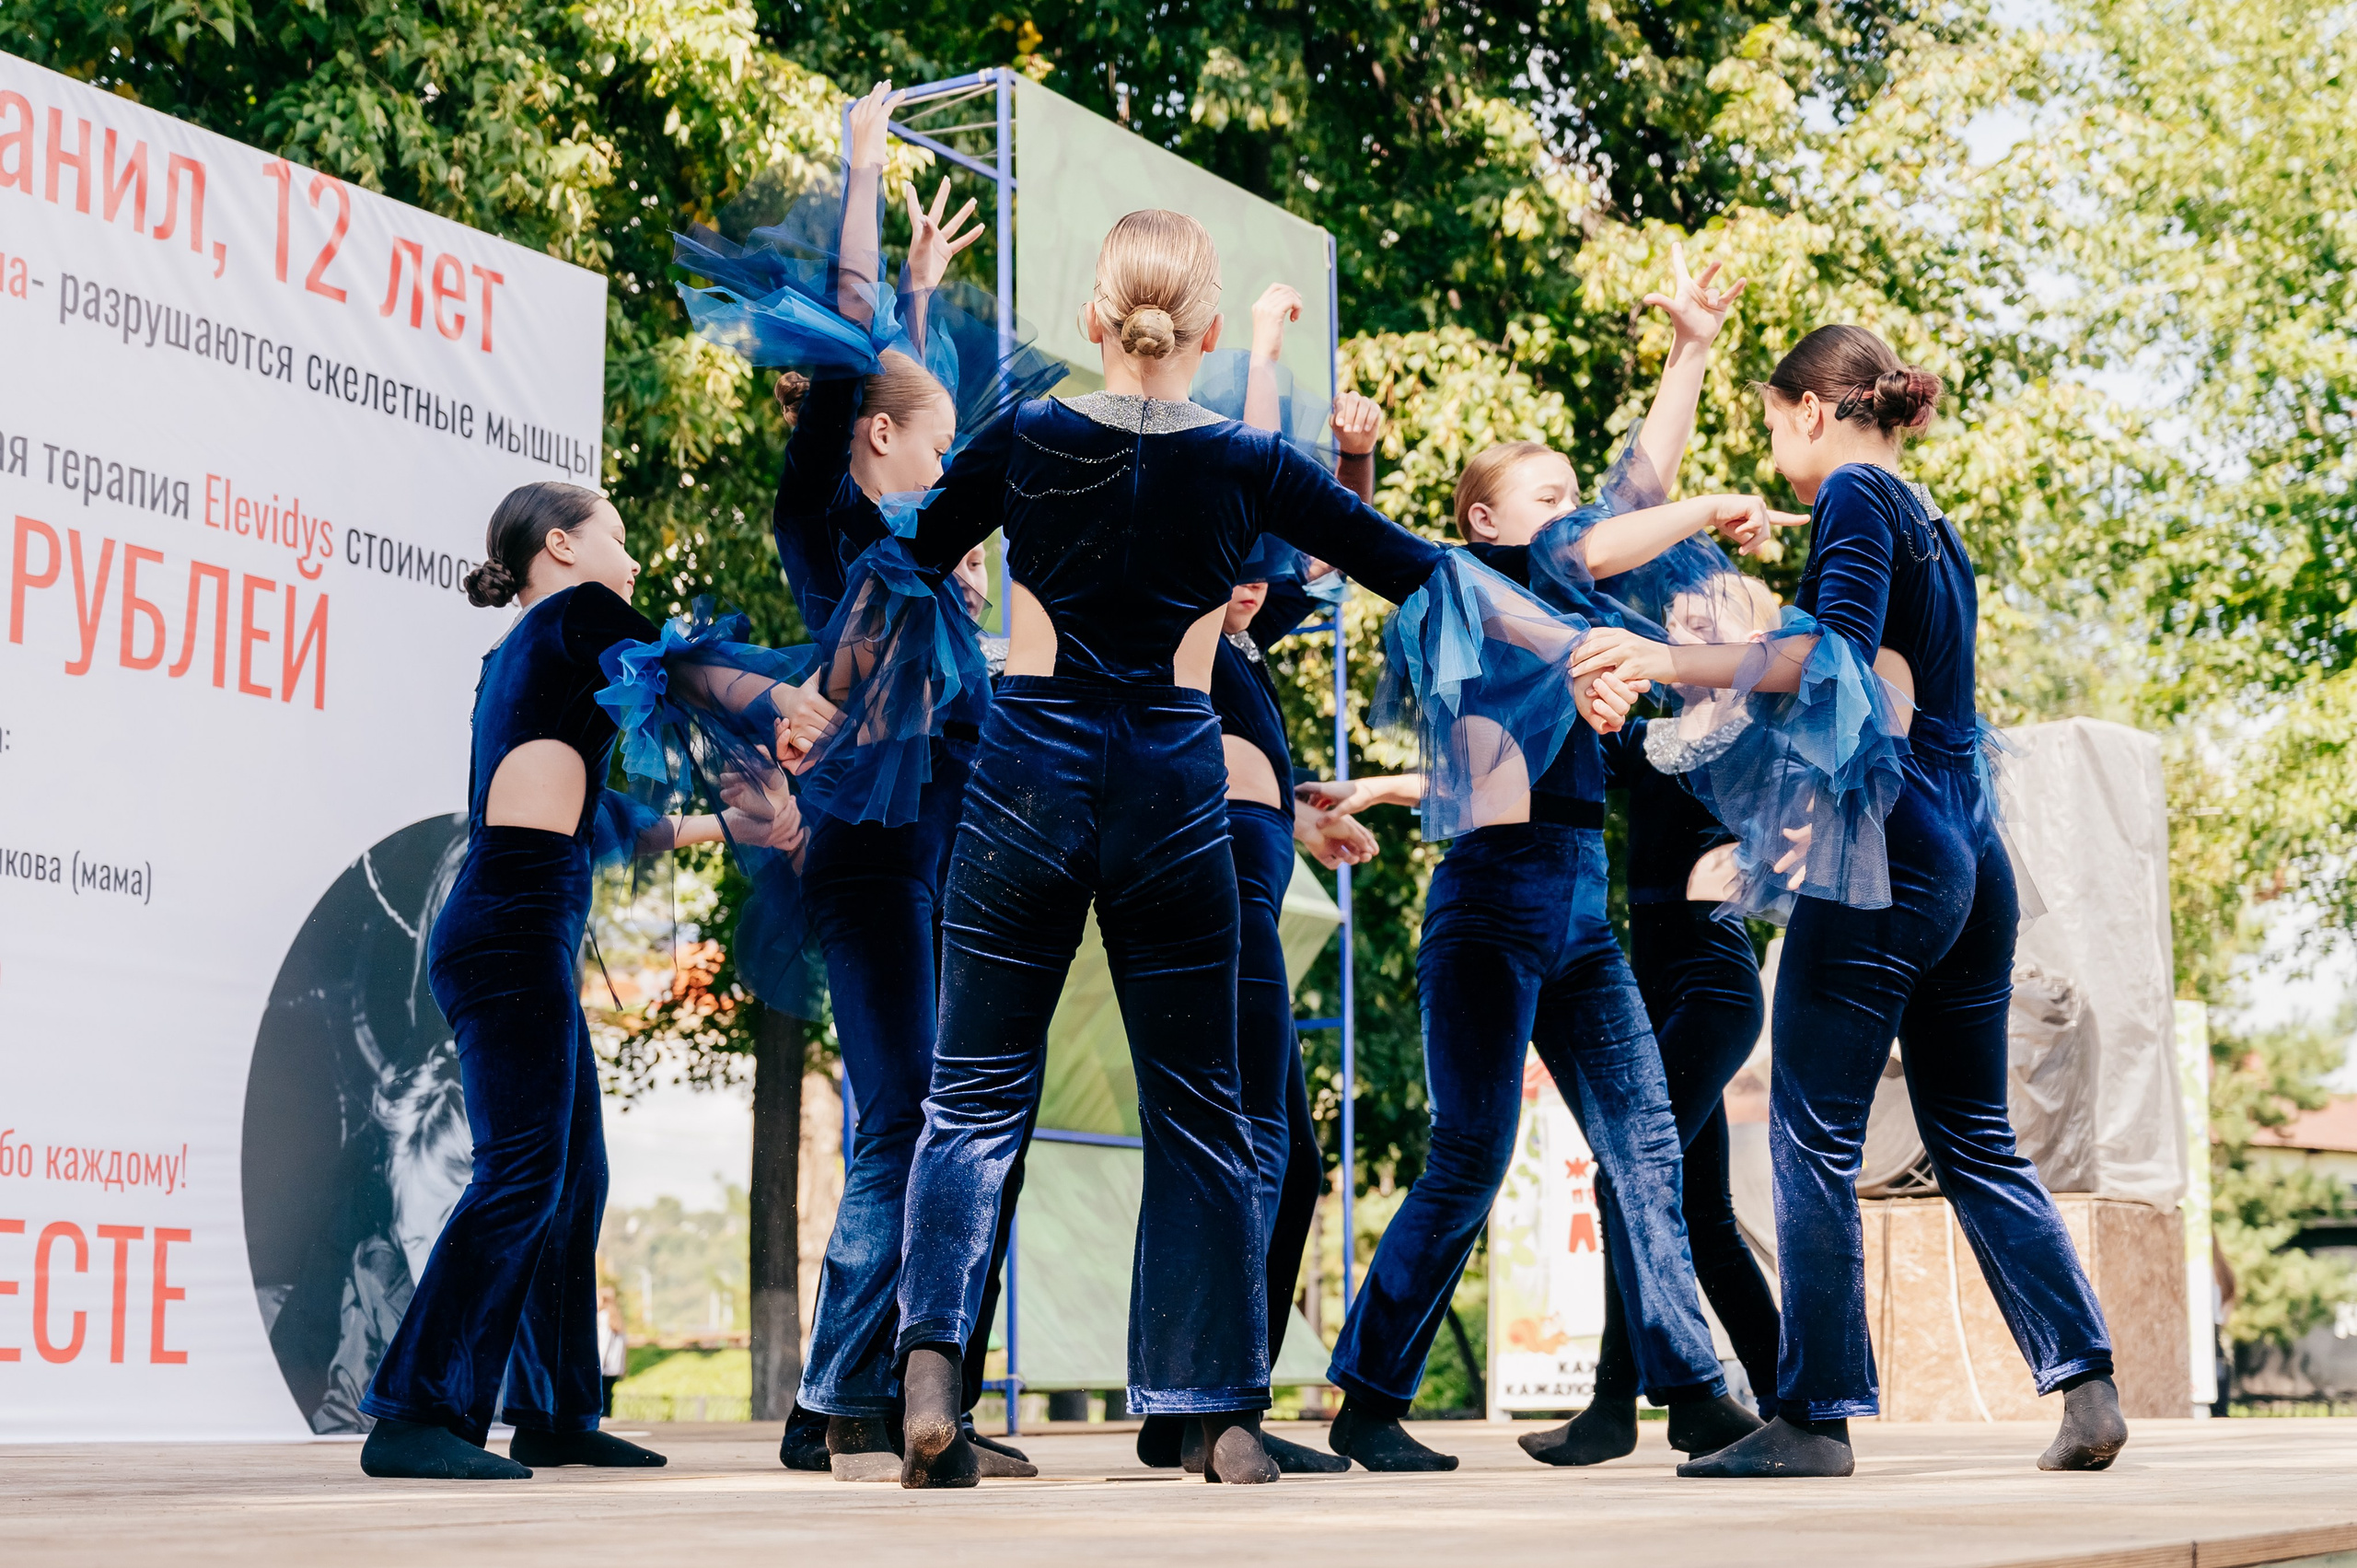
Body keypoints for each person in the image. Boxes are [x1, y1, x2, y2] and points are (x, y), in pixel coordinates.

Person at [801, 208, 1632, 1488]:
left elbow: (901, 561)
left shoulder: (1023, 438)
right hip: (1176, 775)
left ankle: (927, 1380)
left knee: (970, 1098)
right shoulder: (1249, 463)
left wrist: (825, 695)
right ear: (1199, 327)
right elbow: (1432, 577)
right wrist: (1578, 644)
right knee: (1201, 1108)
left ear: (1094, 318)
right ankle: (1225, 1413)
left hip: (1027, 762)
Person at [1572, 324, 2127, 1477]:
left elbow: (1820, 659)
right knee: (1972, 1129)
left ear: (1812, 413)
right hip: (1974, 852)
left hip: (1891, 851)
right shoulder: (1929, 515)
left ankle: (1814, 1413)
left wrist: (1656, 664)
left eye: (1775, 424)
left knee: (1808, 1125)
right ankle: (2086, 1383)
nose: (1776, 448)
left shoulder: (1858, 500)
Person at [1299, 247, 1790, 1471]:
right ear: (1482, 517)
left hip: (1579, 907)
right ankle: (1366, 1393)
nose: (1580, 506)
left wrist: (1689, 351)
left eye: (1582, 491)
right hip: (1489, 901)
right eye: (1551, 492)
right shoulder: (1469, 582)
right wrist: (1355, 461)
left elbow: (1640, 482)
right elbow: (1364, 538)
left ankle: (1696, 1386)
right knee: (1467, 1158)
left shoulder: (1582, 600)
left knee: (1646, 1152)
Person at [357, 482, 821, 1481]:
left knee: (574, 1174)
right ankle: (413, 1410)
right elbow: (691, 670)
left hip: (517, 928)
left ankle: (556, 1410)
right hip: (510, 933)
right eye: (619, 536)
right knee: (523, 1168)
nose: (636, 561)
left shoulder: (536, 656)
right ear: (562, 546)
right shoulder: (576, 614)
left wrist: (730, 824)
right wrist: (787, 704)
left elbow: (600, 818)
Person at [750, 82, 1039, 1483]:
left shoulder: (922, 569)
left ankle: (885, 1386)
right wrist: (861, 172)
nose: (954, 466)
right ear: (877, 446)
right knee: (901, 1115)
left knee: (930, 1113)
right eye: (935, 444)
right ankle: (827, 1395)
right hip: (864, 855)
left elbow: (901, 384)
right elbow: (857, 360)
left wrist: (929, 304)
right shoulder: (838, 526)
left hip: (932, 855)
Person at [598, 1287, 627, 1418]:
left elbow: (603, 1344)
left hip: (604, 1366)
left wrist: (598, 1364)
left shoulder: (604, 1317)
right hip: (614, 1366)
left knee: (602, 1393)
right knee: (608, 1393)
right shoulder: (617, 1319)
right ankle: (607, 1415)